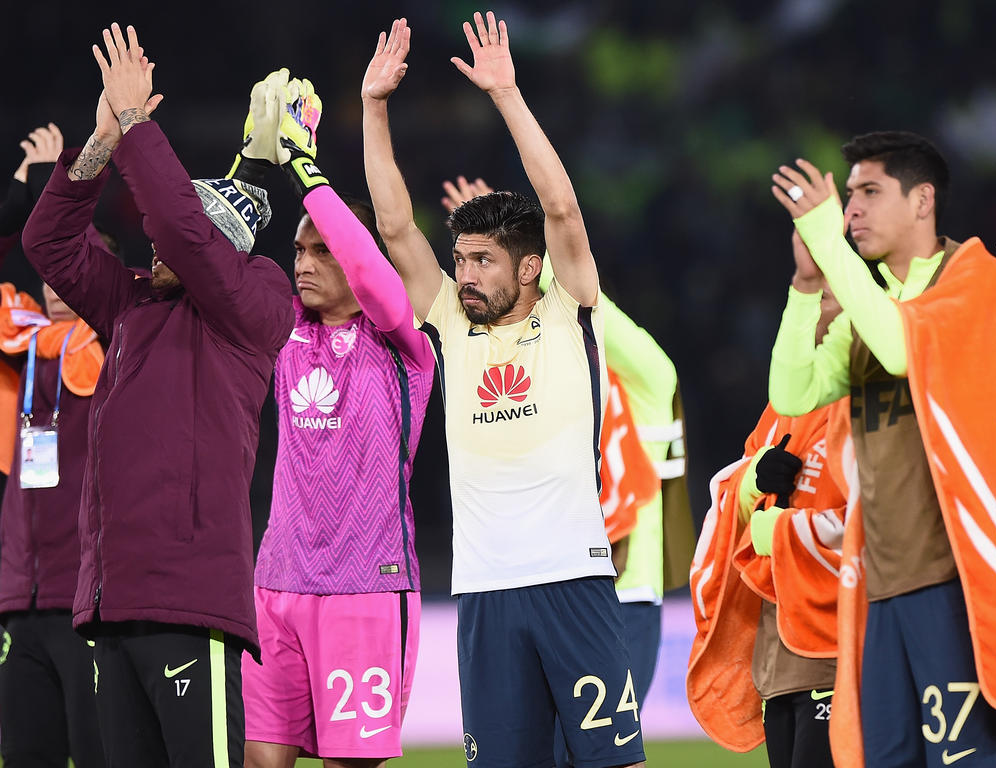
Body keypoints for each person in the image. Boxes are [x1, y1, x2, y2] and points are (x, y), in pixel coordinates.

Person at [362, 14, 645, 768]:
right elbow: (394, 226)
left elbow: (560, 211)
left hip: (574, 581)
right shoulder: (452, 321)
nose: (465, 275)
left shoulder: (566, 308)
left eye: (483, 260)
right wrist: (373, 107)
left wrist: (508, 94)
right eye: (460, 259)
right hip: (484, 592)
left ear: (528, 269)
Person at [21, 24, 293, 767]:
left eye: (175, 239)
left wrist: (141, 122)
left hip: (189, 601)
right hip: (111, 604)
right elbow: (46, 244)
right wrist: (104, 140)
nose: (153, 247)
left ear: (220, 246)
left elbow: (178, 224)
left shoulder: (256, 304)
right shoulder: (132, 304)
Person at [769, 132, 996, 766]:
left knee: (967, 759)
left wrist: (830, 244)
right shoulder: (867, 300)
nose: (851, 209)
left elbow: (903, 348)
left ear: (922, 201)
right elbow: (794, 392)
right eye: (848, 195)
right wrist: (806, 289)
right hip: (880, 586)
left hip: (954, 579)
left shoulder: (974, 279)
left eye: (869, 192)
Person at [234, 72, 434, 768]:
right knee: (261, 761)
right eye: (297, 250)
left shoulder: (403, 345)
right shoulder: (283, 328)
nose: (304, 263)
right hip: (277, 581)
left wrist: (306, 166)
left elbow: (374, 271)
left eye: (322, 251)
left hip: (366, 588)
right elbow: (210, 260)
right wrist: (255, 164)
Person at [440, 174, 691, 719]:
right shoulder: (531, 369)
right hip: (539, 580)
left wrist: (530, 254)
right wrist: (499, 253)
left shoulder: (642, 392)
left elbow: (602, 320)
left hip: (626, 595)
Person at [688, 254, 848, 768]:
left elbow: (881, 515)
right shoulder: (785, 399)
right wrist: (753, 479)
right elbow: (732, 487)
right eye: (801, 297)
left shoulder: (867, 393)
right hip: (778, 648)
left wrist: (778, 528)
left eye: (823, 296)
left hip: (837, 642)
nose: (810, 311)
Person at [0, 123, 107, 768]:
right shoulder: (22, 340)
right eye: (49, 271)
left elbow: (76, 249)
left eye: (71, 269)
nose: (55, 283)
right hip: (20, 596)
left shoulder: (112, 346)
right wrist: (20, 194)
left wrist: (60, 185)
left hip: (86, 600)